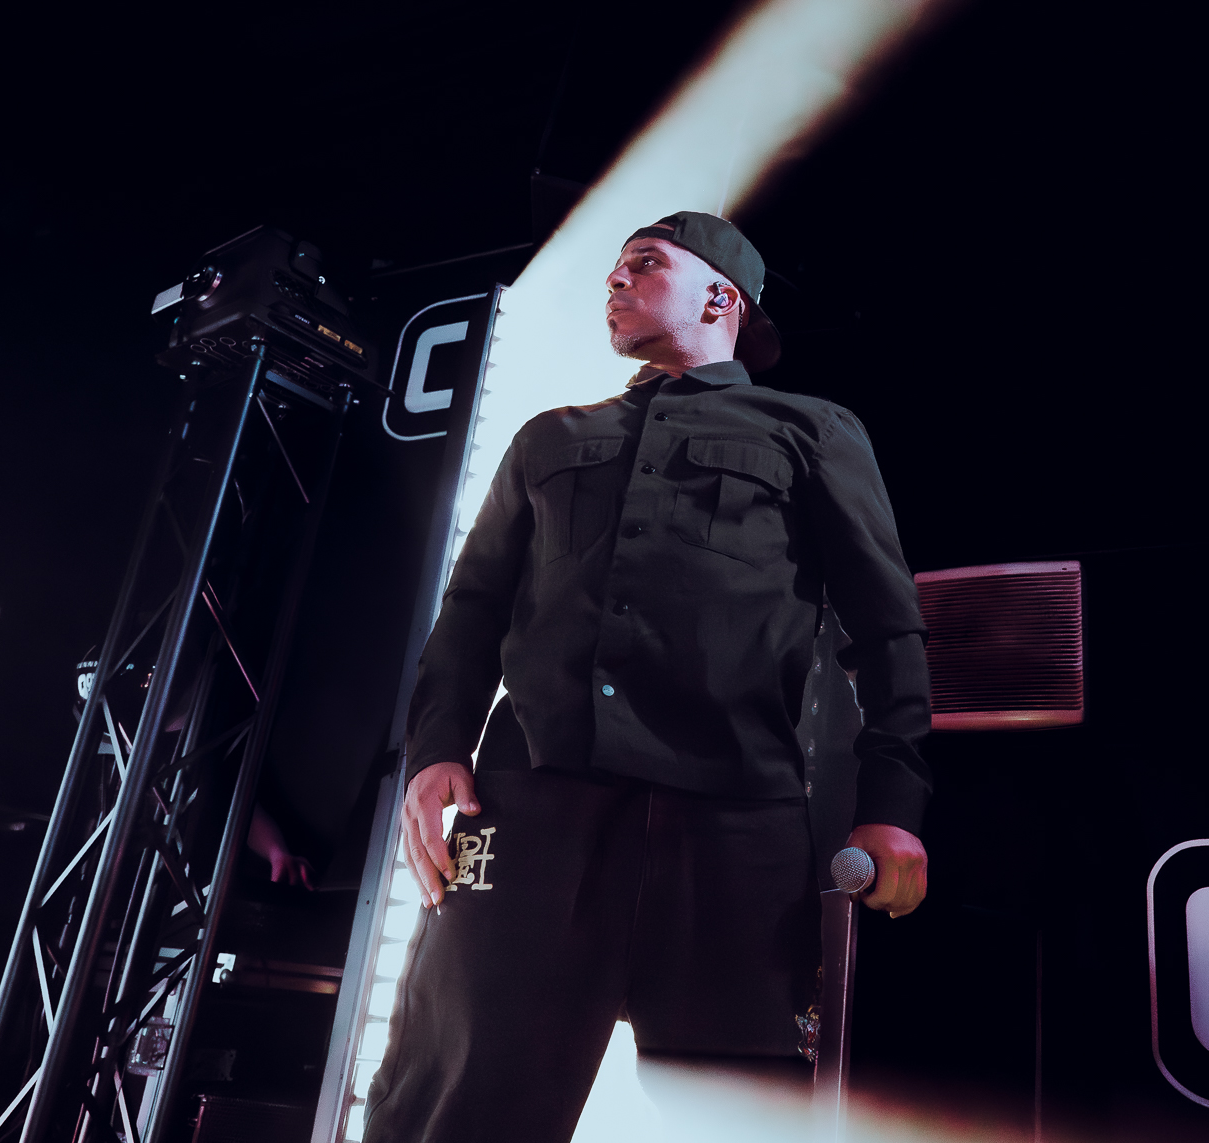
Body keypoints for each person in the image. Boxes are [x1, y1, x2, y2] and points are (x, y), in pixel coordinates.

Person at [364, 212, 931, 1143]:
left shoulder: (813, 431)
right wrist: (435, 754)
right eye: (615, 268)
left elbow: (887, 626)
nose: (614, 280)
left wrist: (894, 802)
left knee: (737, 1116)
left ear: (720, 296)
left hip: (735, 824)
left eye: (644, 263)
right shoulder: (549, 438)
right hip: (530, 810)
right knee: (455, 1098)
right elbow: (469, 612)